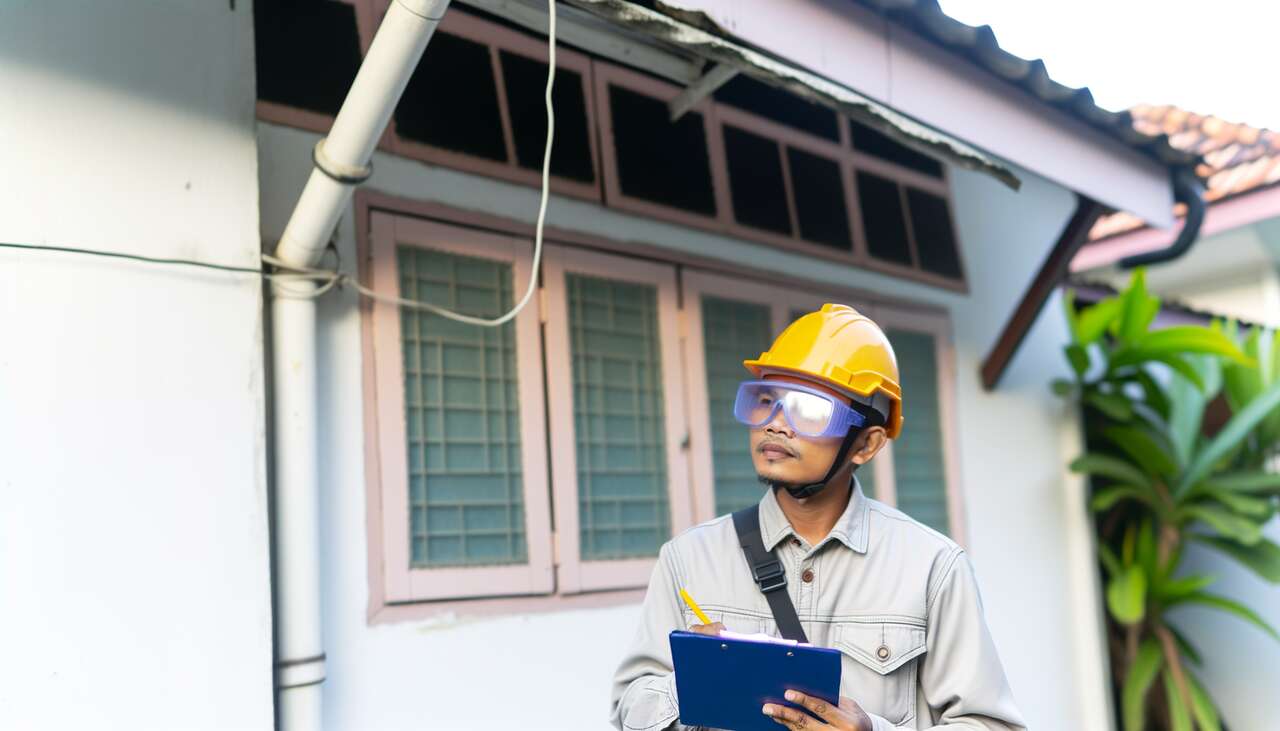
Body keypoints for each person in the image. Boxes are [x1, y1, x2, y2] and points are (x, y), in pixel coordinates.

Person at [609, 304, 1027, 730]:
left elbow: (992, 725)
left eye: (809, 410)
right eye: (765, 401)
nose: (775, 424)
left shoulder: (932, 568)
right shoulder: (688, 558)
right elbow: (629, 708)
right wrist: (689, 683)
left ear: (866, 444)